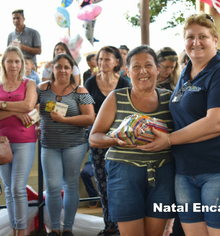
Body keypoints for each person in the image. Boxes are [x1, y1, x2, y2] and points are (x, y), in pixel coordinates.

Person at [139, 14, 220, 236]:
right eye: (190, 37)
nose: (196, 42)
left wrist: (169, 140)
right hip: (186, 171)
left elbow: (218, 122)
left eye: (202, 36)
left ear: (215, 39)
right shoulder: (186, 73)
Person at [89, 45, 176, 236]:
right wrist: (115, 140)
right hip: (123, 175)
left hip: (163, 174)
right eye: (136, 66)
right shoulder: (116, 97)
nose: (143, 71)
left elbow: (181, 135)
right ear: (127, 71)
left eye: (148, 65)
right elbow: (94, 138)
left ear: (158, 69)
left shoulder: (170, 99)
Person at [38, 53, 95, 236]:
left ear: (72, 70)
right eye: (58, 66)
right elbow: (32, 108)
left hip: (74, 145)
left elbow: (90, 118)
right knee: (53, 187)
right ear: (52, 68)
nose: (62, 70)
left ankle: (68, 228)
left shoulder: (80, 91)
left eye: (66, 67)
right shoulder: (42, 88)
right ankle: (54, 228)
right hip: (49, 145)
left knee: (70, 185)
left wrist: (64, 120)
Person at [84, 46, 130, 236]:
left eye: (107, 59)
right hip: (98, 140)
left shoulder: (125, 83)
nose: (102, 63)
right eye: (100, 59)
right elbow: (84, 109)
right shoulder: (90, 83)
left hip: (120, 141)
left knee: (121, 185)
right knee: (103, 185)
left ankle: (123, 227)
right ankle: (109, 227)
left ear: (117, 62)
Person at [0, 46, 37, 236]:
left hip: (24, 140)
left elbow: (29, 105)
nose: (13, 65)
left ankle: (21, 232)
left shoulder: (29, 83)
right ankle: (15, 229)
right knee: (8, 189)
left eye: (17, 61)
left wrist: (3, 106)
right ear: (3, 63)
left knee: (17, 187)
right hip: (1, 142)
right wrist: (17, 110)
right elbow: (22, 107)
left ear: (22, 64)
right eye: (10, 61)